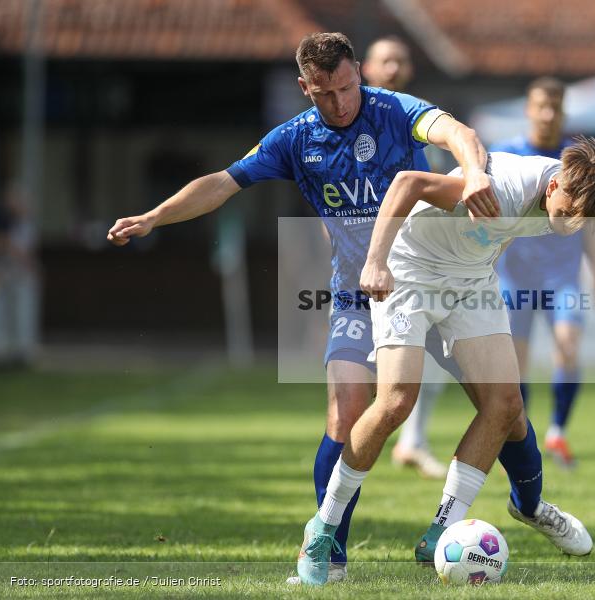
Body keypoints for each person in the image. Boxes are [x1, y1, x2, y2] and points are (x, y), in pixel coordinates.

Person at [107, 32, 502, 584]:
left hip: (428, 282)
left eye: (346, 87)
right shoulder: (295, 139)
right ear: (304, 87)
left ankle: (533, 506)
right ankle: (328, 554)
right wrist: (153, 217)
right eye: (324, 94)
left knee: (502, 405)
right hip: (355, 293)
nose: (340, 104)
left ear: (358, 72)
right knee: (345, 413)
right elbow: (221, 184)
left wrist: (475, 171)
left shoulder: (394, 110)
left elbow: (457, 132)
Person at [294, 137, 595, 585]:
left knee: (506, 406)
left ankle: (444, 527)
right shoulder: (501, 187)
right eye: (567, 212)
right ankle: (324, 528)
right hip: (409, 271)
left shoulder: (572, 203)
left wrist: (486, 259)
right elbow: (408, 182)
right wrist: (374, 262)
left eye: (583, 220)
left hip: (470, 283)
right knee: (395, 402)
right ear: (553, 188)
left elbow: (508, 232)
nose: (570, 225)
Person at [493, 77, 595, 468]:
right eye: (540, 105)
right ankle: (524, 439)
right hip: (515, 277)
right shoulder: (507, 153)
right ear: (528, 108)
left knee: (569, 347)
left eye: (555, 107)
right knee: (517, 364)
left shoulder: (576, 158)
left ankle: (558, 432)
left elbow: (591, 223)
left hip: (562, 278)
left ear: (562, 111)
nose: (547, 113)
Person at [362, 34, 449, 479]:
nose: (393, 68)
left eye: (401, 61)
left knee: (431, 350)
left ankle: (411, 441)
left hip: (417, 253)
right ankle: (352, 451)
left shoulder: (420, 119)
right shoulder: (350, 123)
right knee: (362, 363)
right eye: (385, 61)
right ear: (365, 69)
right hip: (367, 256)